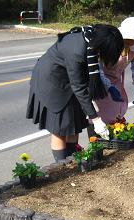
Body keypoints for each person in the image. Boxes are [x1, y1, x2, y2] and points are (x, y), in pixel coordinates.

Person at [26, 24, 124, 162]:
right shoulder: (77, 51)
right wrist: (95, 119)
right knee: (61, 129)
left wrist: (92, 104)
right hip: (52, 83)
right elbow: (79, 87)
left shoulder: (91, 40)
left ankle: (74, 158)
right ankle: (63, 166)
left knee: (74, 124)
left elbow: (83, 80)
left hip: (69, 81)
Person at [90, 17, 134, 126]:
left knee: (116, 110)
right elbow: (96, 67)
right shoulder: (109, 42)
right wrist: (109, 87)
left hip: (116, 80)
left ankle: (111, 138)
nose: (130, 41)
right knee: (98, 113)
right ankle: (95, 139)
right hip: (99, 79)